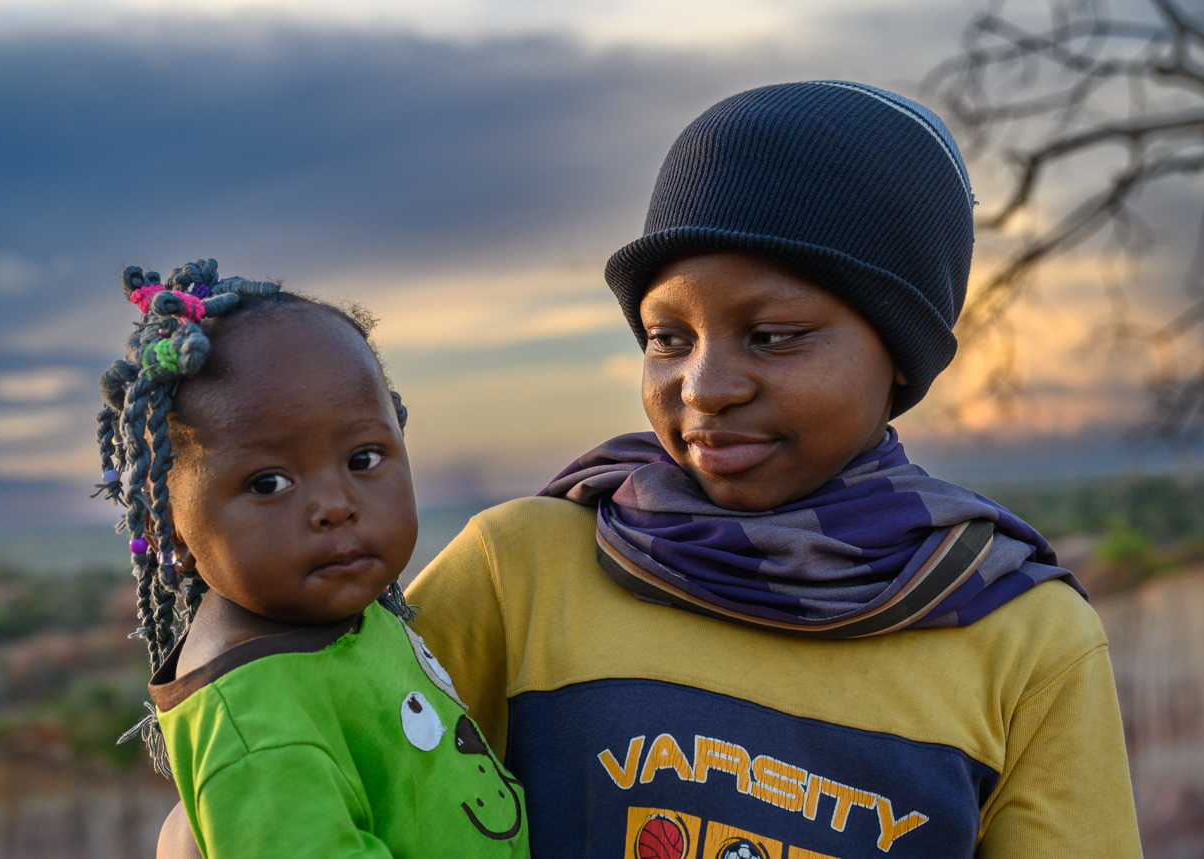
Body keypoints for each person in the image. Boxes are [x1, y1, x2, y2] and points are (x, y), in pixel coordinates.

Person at [406, 82, 1143, 857]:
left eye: (773, 335)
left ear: (898, 354)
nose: (705, 387)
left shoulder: (1020, 636)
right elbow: (329, 782)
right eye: (668, 337)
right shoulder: (520, 573)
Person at [92, 260, 528, 858]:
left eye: (364, 459)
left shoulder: (336, 616)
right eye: (269, 482)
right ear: (170, 530)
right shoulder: (256, 725)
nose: (335, 505)